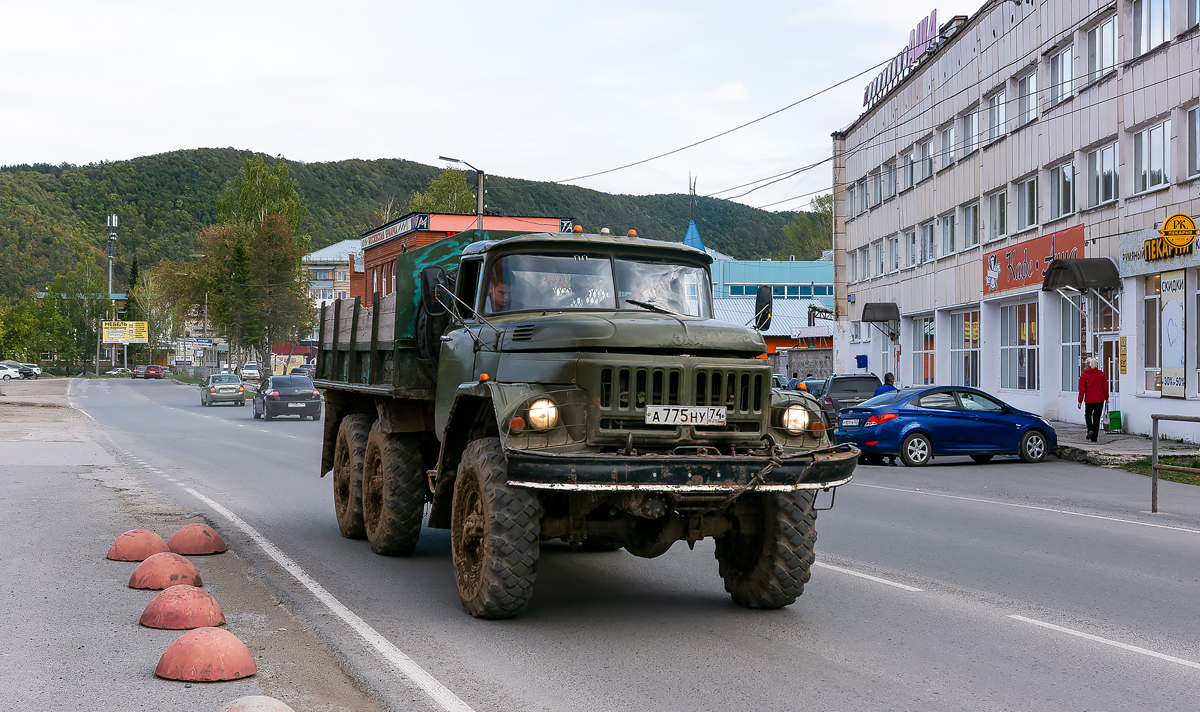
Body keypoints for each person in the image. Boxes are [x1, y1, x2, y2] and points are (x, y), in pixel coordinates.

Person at [1078, 357, 1109, 442]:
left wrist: (1080, 401)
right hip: (1100, 399)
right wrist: (1107, 398)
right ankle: (1094, 438)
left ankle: (1089, 429)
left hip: (1089, 400)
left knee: (1088, 415)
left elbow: (1082, 389)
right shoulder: (1101, 374)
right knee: (1097, 418)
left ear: (1088, 364)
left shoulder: (1084, 375)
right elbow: (1105, 387)